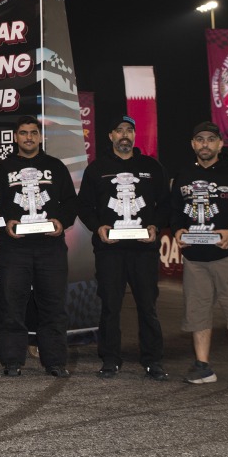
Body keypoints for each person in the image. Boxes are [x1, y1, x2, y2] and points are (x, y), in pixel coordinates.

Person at [170, 121, 228, 388]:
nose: (205, 144)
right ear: (193, 144)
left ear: (220, 144)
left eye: (211, 139)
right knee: (197, 312)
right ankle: (203, 366)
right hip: (195, 259)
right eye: (199, 139)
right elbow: (175, 212)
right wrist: (177, 231)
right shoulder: (183, 175)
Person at [77, 115, 169, 381]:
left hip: (144, 250)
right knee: (110, 306)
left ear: (134, 135)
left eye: (130, 130)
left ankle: (153, 360)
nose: (125, 135)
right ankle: (109, 359)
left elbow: (165, 204)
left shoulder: (151, 167)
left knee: (148, 306)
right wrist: (98, 228)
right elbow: (84, 206)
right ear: (111, 136)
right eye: (119, 131)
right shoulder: (97, 169)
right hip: (110, 250)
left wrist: (156, 226)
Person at [0, 115, 78, 377]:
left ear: (39, 137)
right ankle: (13, 360)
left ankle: (55, 361)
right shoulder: (3, 168)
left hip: (50, 247)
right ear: (16, 137)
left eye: (33, 133)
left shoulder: (56, 166)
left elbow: (71, 203)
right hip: (14, 247)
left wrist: (61, 222)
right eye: (23, 133)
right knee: (11, 303)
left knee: (53, 305)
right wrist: (6, 221)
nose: (28, 137)